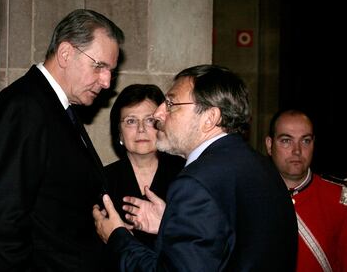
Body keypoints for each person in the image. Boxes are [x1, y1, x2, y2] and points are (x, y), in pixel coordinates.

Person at [93, 64, 298, 271]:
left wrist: (118, 237)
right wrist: (169, 223)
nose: (158, 113)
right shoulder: (262, 166)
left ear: (209, 118)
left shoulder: (196, 183)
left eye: (171, 103)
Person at [0, 9, 124, 271]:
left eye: (110, 70)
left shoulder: (54, 107)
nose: (107, 81)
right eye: (99, 66)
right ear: (65, 53)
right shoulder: (25, 107)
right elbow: (2, 224)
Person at [104, 84, 185, 271]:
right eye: (131, 121)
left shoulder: (186, 177)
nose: (141, 129)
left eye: (149, 120)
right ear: (119, 133)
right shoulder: (101, 180)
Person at [265, 109, 347, 272]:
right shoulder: (249, 195)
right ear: (269, 145)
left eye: (305, 141)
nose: (297, 150)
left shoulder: (339, 199)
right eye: (286, 140)